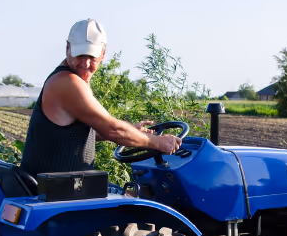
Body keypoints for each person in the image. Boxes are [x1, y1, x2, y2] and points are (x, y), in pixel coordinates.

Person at [19, 19, 182, 177]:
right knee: (138, 196)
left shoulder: (72, 79)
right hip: (56, 194)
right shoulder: (68, 82)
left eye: (91, 57)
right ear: (67, 48)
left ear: (103, 53)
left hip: (61, 189)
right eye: (79, 55)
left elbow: (87, 132)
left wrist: (132, 132)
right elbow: (113, 130)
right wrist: (157, 142)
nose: (85, 63)